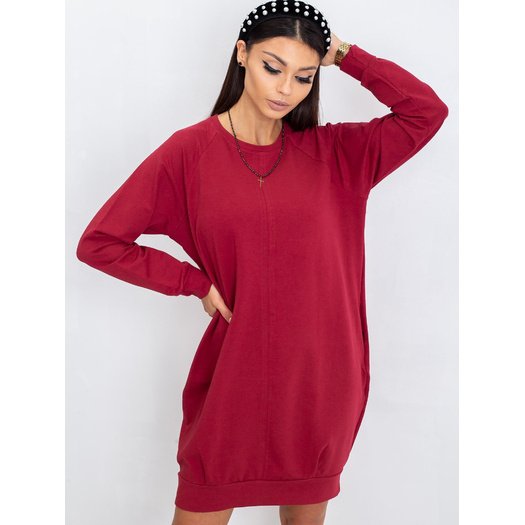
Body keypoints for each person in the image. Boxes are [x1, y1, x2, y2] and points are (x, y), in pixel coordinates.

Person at [76, 1, 449, 524]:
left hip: (320, 378)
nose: (285, 89)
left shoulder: (338, 153)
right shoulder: (188, 154)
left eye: (304, 76)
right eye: (273, 67)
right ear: (242, 54)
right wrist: (192, 282)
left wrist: (345, 54)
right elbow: (101, 242)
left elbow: (426, 112)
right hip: (236, 377)